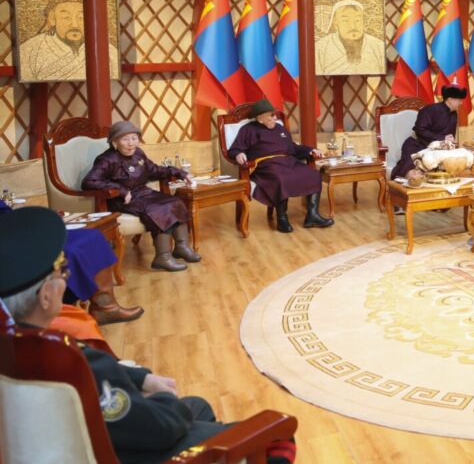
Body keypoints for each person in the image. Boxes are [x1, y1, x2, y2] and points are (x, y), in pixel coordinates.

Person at [0, 207, 297, 464]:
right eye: (62, 276)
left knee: (199, 406)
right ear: (46, 296)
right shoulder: (73, 364)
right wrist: (164, 399)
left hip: (73, 439)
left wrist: (141, 378)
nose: (66, 282)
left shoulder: (22, 343)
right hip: (131, 452)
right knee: (278, 437)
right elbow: (158, 429)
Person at [0, 199, 141, 325]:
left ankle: (106, 307)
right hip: (8, 243)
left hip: (12, 232)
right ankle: (61, 313)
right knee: (70, 250)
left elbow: (6, 213)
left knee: (91, 237)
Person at [82, 121, 200, 272]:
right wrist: (121, 190)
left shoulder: (138, 153)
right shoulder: (107, 159)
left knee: (176, 201)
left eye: (134, 138)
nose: (131, 143)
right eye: (125, 139)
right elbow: (89, 181)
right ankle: (162, 257)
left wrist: (179, 172)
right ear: (115, 142)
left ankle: (182, 247)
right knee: (160, 209)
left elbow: (154, 170)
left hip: (143, 194)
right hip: (121, 200)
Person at [227, 99, 333, 233]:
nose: (275, 118)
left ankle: (312, 216)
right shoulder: (249, 130)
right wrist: (239, 154)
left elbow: (293, 148)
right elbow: (234, 149)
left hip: (289, 163)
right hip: (267, 166)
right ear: (260, 118)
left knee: (313, 175)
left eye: (275, 114)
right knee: (280, 178)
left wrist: (309, 150)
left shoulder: (280, 129)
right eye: (271, 115)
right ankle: (282, 218)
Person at [18, 0, 119, 82]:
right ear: (52, 19)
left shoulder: (107, 50)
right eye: (66, 18)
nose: (74, 25)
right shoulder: (30, 49)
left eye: (81, 18)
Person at [391, 83, 467, 180]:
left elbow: (449, 137)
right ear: (450, 99)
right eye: (459, 100)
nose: (461, 103)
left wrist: (449, 144)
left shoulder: (454, 114)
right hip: (416, 145)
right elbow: (420, 130)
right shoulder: (430, 109)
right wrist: (442, 138)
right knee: (410, 169)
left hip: (436, 149)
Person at [315, 0, 386, 75]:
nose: (353, 26)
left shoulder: (378, 46)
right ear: (335, 23)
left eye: (357, 20)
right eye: (346, 21)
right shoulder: (320, 48)